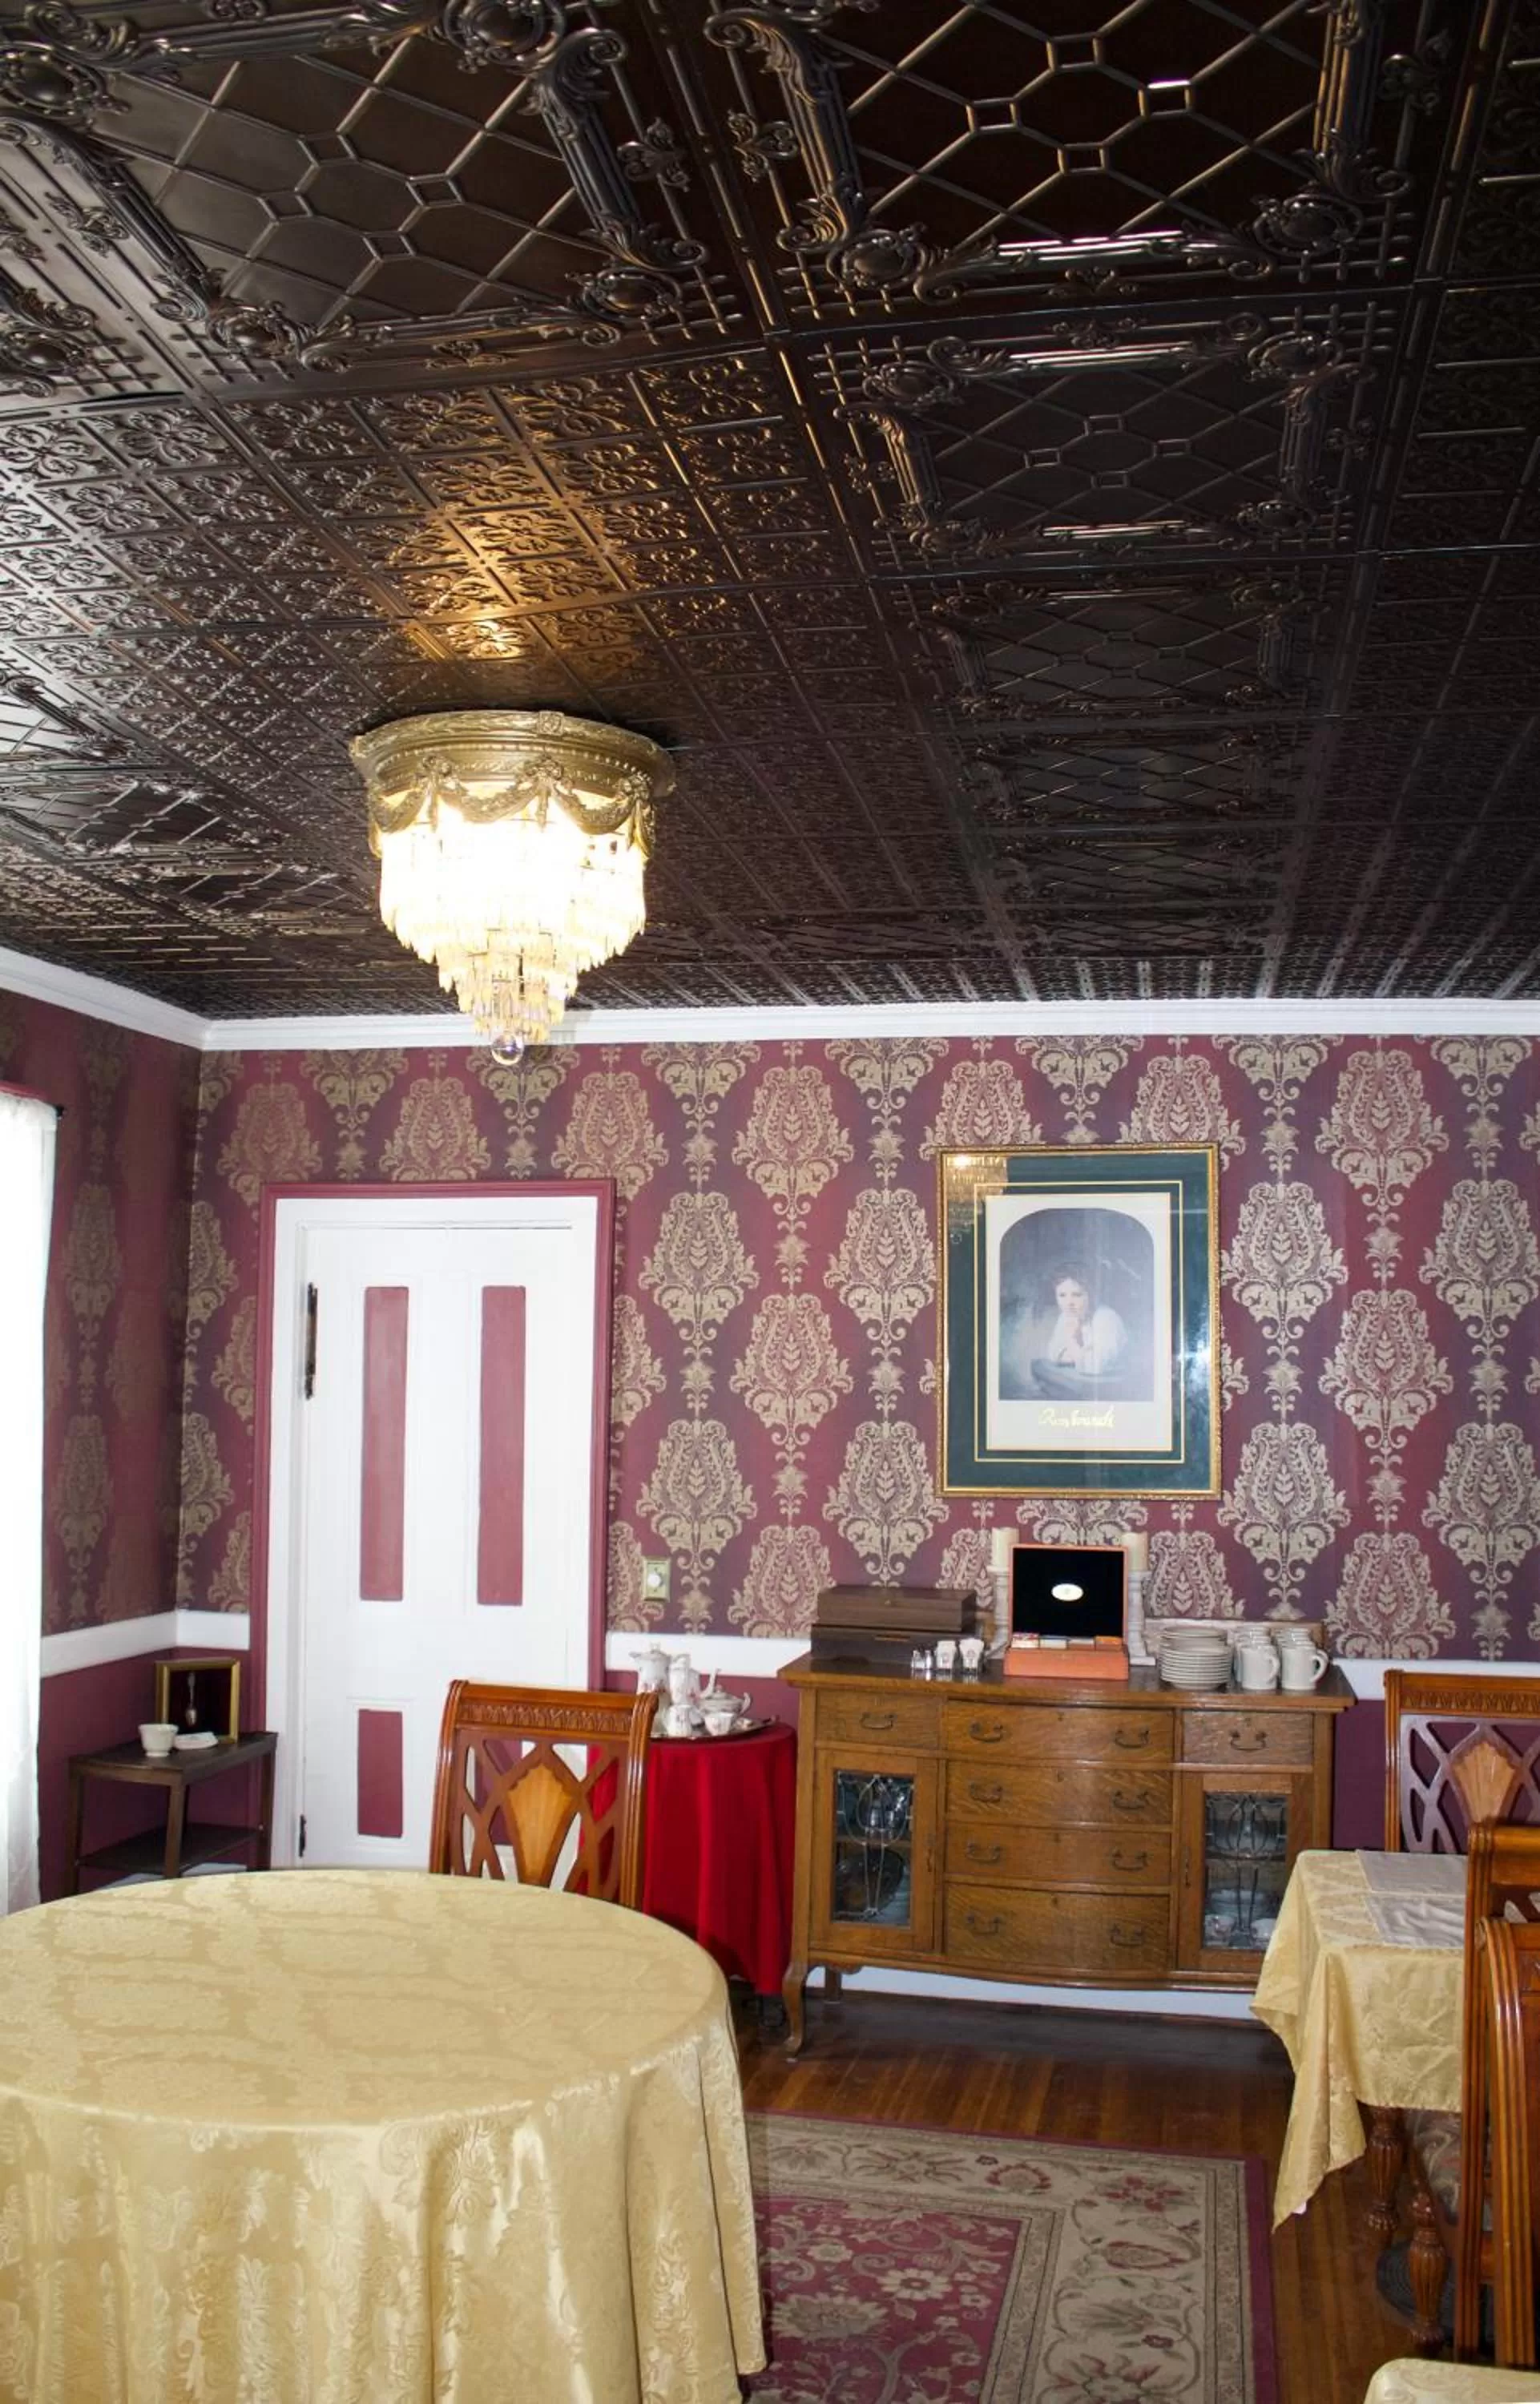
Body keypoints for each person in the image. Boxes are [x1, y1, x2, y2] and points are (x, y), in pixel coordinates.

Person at [1042, 1272, 1126, 1378]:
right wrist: (1079, 1356)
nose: (1069, 1303)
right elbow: (1053, 1354)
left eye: (1076, 1295)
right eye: (1062, 1295)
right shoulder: (1066, 1316)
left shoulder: (1106, 1318)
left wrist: (1072, 1340)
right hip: (1082, 1381)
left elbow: (1093, 1367)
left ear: (1090, 1295)